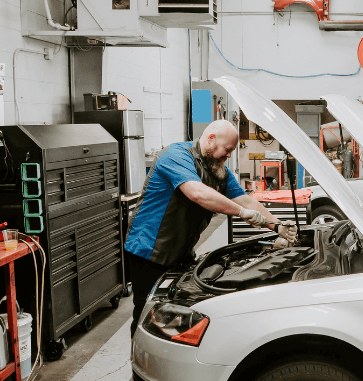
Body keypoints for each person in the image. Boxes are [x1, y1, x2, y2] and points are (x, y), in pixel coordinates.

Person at [124, 120, 293, 336]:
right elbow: (197, 193)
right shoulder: (175, 156)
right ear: (211, 139)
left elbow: (247, 201)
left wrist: (278, 226)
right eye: (228, 149)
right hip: (148, 252)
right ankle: (140, 362)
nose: (229, 155)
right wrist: (240, 213)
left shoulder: (217, 170)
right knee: (147, 316)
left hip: (180, 252)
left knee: (174, 315)